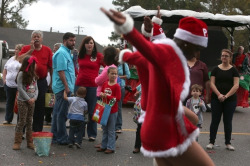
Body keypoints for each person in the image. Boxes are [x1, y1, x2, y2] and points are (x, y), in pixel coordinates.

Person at [101, 8, 214, 166]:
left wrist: (151, 28)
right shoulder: (166, 56)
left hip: (153, 125)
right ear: (187, 43)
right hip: (161, 127)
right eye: (197, 48)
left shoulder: (162, 57)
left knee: (193, 119)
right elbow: (148, 49)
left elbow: (147, 49)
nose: (196, 54)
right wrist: (128, 28)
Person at [18, 30, 53, 132]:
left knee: (39, 107)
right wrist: (30, 51)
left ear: (41, 39)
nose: (36, 38)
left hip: (41, 81)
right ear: (31, 38)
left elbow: (51, 67)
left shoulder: (47, 50)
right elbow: (19, 59)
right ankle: (21, 131)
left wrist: (50, 83)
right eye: (34, 37)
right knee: (25, 105)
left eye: (38, 36)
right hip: (27, 81)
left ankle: (37, 131)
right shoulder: (26, 48)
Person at [206, 49, 239, 151]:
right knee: (215, 120)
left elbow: (236, 85)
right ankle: (211, 142)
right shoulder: (215, 69)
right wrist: (219, 95)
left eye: (226, 56)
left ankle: (228, 143)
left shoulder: (234, 70)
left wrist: (226, 96)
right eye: (222, 56)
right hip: (216, 99)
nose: (224, 57)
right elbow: (212, 83)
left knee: (227, 121)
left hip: (230, 100)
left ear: (230, 58)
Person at [75, 36, 105, 141]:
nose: (89, 45)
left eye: (91, 43)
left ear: (94, 45)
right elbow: (73, 67)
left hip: (93, 87)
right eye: (87, 43)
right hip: (80, 85)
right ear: (84, 45)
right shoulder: (79, 55)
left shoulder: (99, 56)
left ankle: (92, 134)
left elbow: (108, 68)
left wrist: (103, 82)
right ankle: (80, 133)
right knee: (79, 110)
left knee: (92, 111)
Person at [51, 32, 76, 145]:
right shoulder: (61, 53)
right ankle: (61, 138)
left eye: (74, 40)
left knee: (57, 113)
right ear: (65, 40)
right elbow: (61, 71)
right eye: (71, 40)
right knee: (61, 114)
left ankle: (55, 136)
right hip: (62, 88)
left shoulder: (66, 52)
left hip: (63, 87)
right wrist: (66, 87)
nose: (73, 43)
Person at [12, 56, 38, 150]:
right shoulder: (21, 74)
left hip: (32, 101)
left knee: (29, 121)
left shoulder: (34, 75)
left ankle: (29, 142)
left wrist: (34, 98)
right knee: (22, 121)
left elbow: (36, 88)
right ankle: (17, 142)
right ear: (29, 65)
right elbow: (20, 88)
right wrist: (28, 99)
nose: (36, 66)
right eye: (34, 64)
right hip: (23, 101)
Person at [96, 66, 121, 154]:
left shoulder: (116, 86)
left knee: (111, 129)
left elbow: (117, 98)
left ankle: (111, 147)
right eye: (112, 73)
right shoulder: (105, 84)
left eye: (115, 74)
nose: (114, 75)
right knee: (105, 128)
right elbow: (101, 93)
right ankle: (104, 145)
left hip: (112, 110)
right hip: (105, 109)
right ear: (108, 74)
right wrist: (102, 95)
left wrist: (107, 96)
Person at [2, 44, 24, 124]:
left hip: (19, 86)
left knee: (20, 104)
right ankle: (8, 118)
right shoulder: (11, 59)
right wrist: (4, 80)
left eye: (17, 49)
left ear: (22, 51)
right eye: (15, 49)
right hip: (9, 84)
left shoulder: (23, 60)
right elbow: (5, 69)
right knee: (9, 102)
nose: (15, 51)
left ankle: (20, 121)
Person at [115, 58, 130, 133]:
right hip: (111, 86)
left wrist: (118, 77)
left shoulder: (124, 65)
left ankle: (118, 126)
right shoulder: (112, 63)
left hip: (121, 87)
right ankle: (108, 125)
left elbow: (128, 75)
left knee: (118, 106)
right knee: (109, 105)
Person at [132, 84, 142, 153]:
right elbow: (137, 93)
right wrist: (136, 94)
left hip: (151, 108)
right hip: (141, 109)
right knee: (139, 128)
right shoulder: (143, 83)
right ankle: (137, 146)